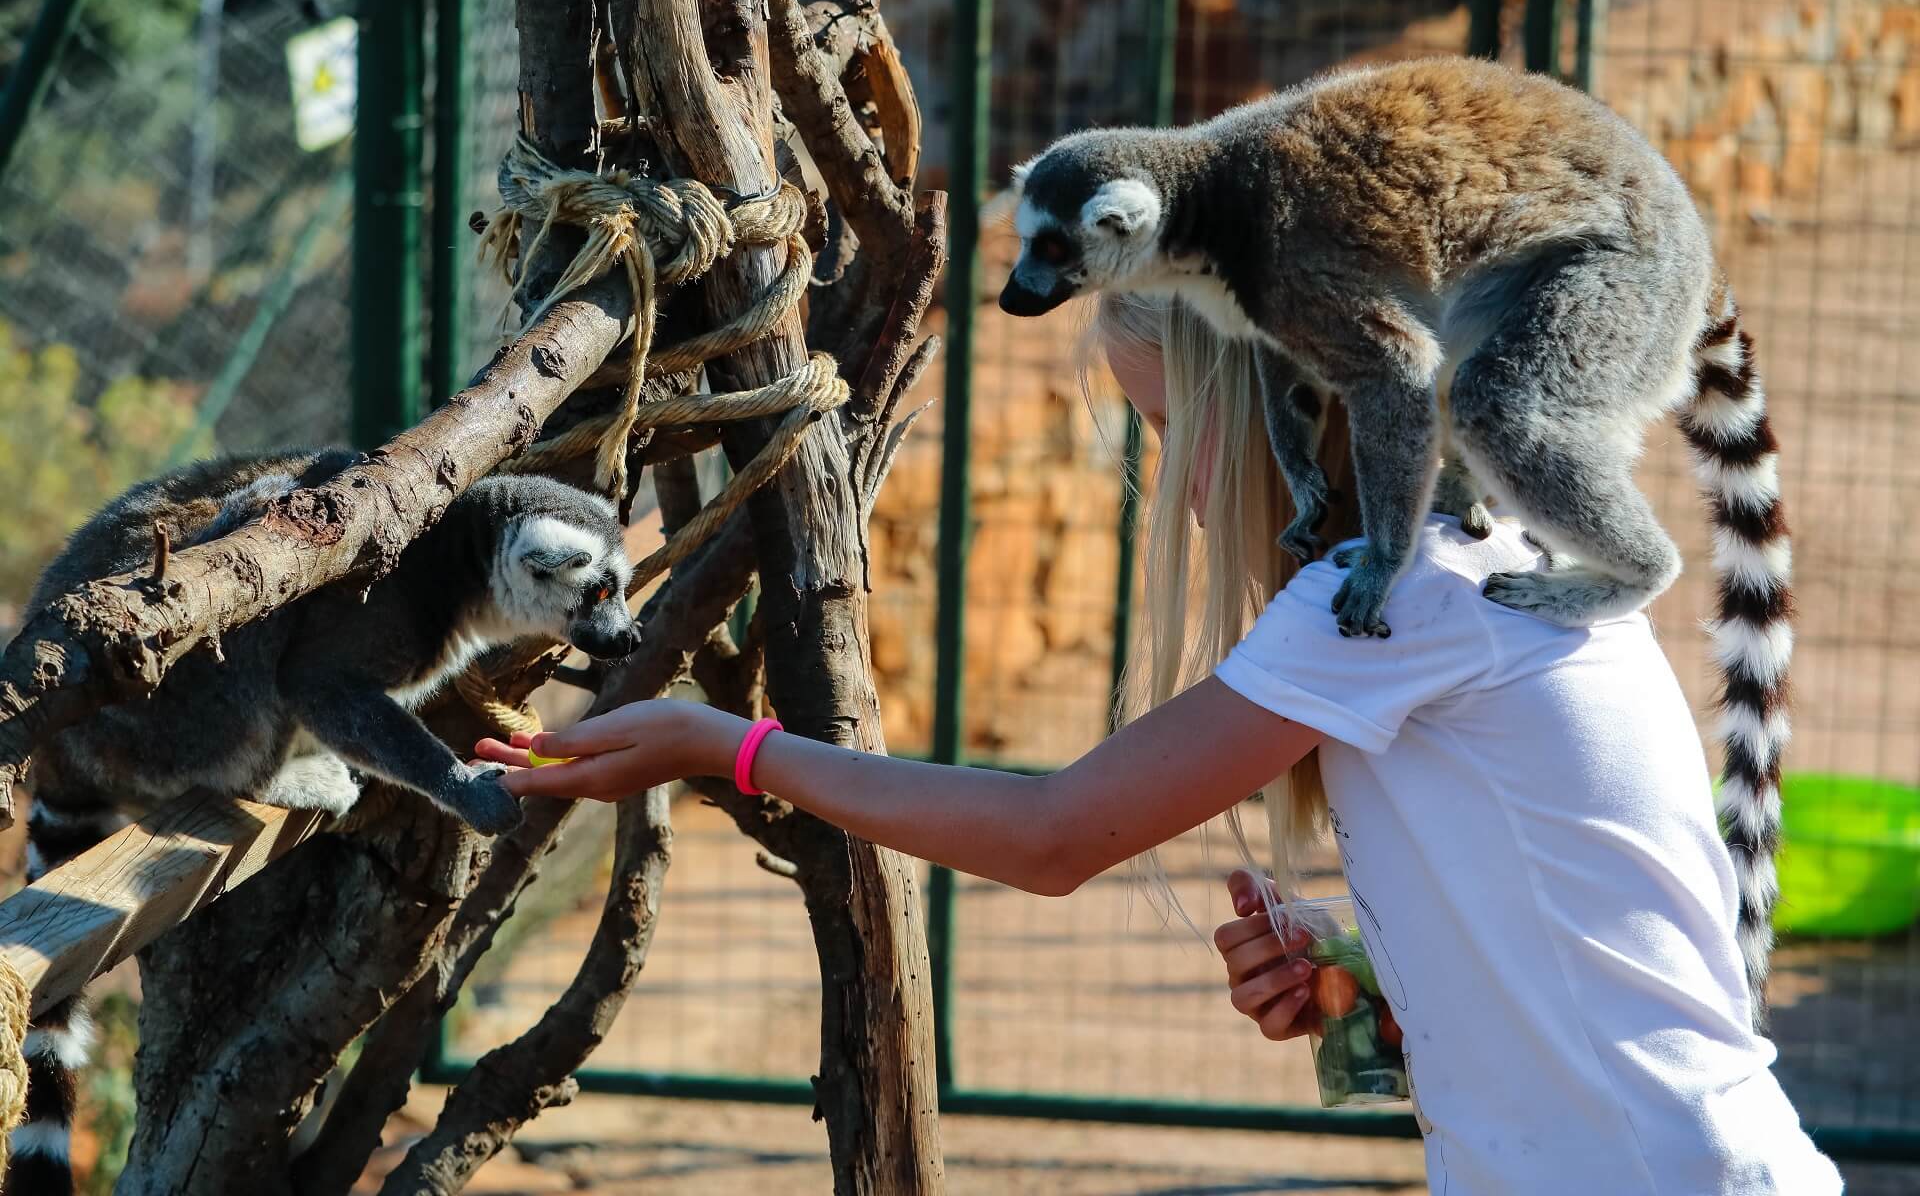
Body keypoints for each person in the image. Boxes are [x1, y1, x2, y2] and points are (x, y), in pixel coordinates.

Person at [481, 292, 1843, 1194]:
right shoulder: (1483, 561)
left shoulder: (1396, 591)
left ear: (1273, 410)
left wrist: (730, 749)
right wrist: (1367, 972)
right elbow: (1597, 916)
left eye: (1164, 425)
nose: (1173, 484)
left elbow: (1053, 835)